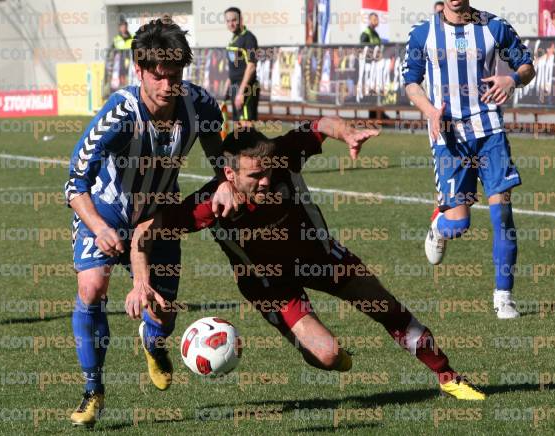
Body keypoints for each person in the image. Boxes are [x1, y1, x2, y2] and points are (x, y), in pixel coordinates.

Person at [129, 117, 486, 402]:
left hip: (321, 256)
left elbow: (319, 126)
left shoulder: (283, 153)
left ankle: (448, 376)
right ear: (230, 175)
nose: (267, 180)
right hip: (270, 285)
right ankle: (313, 347)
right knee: (328, 357)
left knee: (386, 307)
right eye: (256, 175)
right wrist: (141, 283)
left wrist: (346, 133)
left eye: (269, 171)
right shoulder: (209, 204)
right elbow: (142, 234)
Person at [65, 17, 235, 427]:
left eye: (173, 76)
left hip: (160, 214)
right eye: (156, 76)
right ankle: (93, 390)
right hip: (105, 210)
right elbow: (74, 182)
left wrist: (227, 181)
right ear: (139, 71)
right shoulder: (120, 114)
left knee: (162, 314)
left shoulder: (201, 105)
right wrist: (100, 228)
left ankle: (153, 341)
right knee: (92, 287)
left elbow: (221, 156)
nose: (165, 86)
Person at [402, 1, 536, 319]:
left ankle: (503, 297)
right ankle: (440, 226)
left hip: (490, 132)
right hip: (448, 137)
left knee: (502, 214)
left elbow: (527, 66)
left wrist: (512, 80)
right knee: (459, 223)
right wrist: (431, 111)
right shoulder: (423, 33)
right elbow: (411, 82)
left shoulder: (494, 26)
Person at [224, 7, 260, 126]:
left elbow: (251, 66)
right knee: (237, 126)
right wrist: (227, 86)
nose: (231, 24)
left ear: (241, 20)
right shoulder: (233, 39)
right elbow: (234, 66)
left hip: (246, 88)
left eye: (234, 20)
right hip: (235, 87)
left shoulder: (248, 38)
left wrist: (241, 92)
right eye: (228, 21)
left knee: (246, 126)